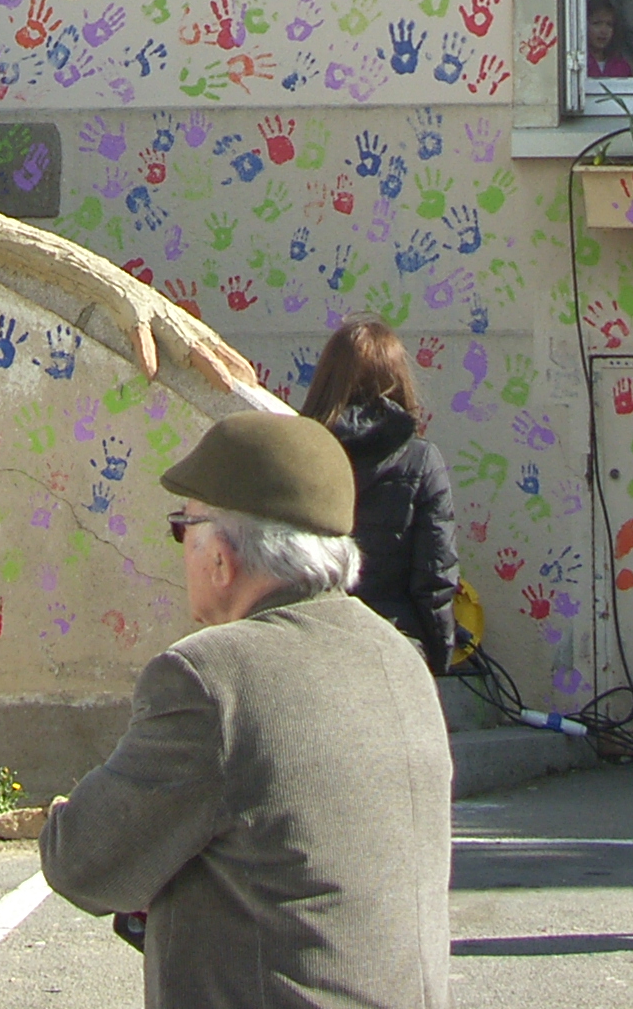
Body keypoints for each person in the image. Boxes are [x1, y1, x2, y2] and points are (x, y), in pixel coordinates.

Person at [40, 409, 453, 1008]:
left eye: (184, 527)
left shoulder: (210, 678)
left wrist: (66, 813)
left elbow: (83, 861)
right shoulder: (398, 658)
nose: (180, 547)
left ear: (221, 559)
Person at [304, 319, 462, 673]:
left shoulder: (299, 451)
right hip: (394, 643)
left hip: (312, 644)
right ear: (398, 377)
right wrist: (437, 656)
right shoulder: (421, 459)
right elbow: (435, 574)